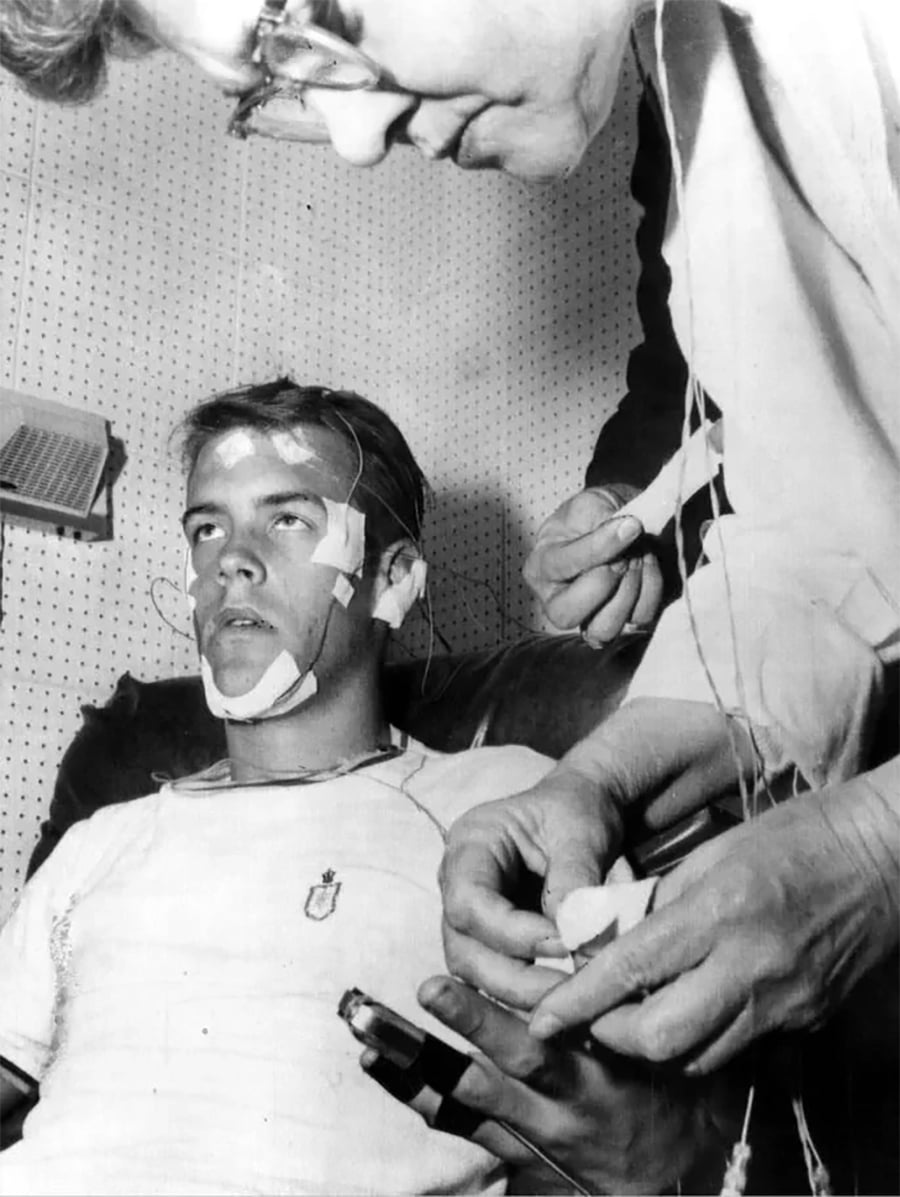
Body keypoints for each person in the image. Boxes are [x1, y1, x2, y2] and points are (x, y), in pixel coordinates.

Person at [2, 0, 898, 1141]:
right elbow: (831, 543)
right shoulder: (700, 87)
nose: (359, 140)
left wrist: (875, 851)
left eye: (311, 15)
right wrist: (599, 782)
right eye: (269, 85)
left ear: (394, 580)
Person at [0, 379, 723, 1195]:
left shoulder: (507, 806)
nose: (229, 559)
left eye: (288, 519)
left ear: (393, 579)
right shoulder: (100, 839)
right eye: (207, 528)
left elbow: (650, 1123)